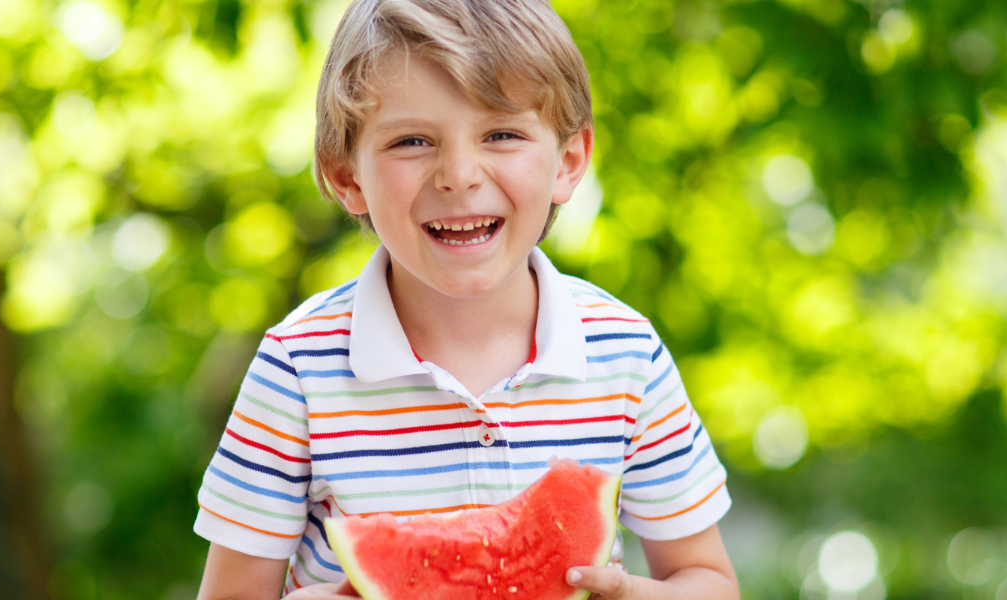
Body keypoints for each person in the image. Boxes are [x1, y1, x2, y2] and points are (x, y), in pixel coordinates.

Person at [193, 0, 738, 597]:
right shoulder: (297, 367)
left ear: (570, 161)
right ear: (347, 177)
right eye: (412, 142)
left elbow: (708, 581)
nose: (459, 174)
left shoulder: (626, 353)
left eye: (501, 134)